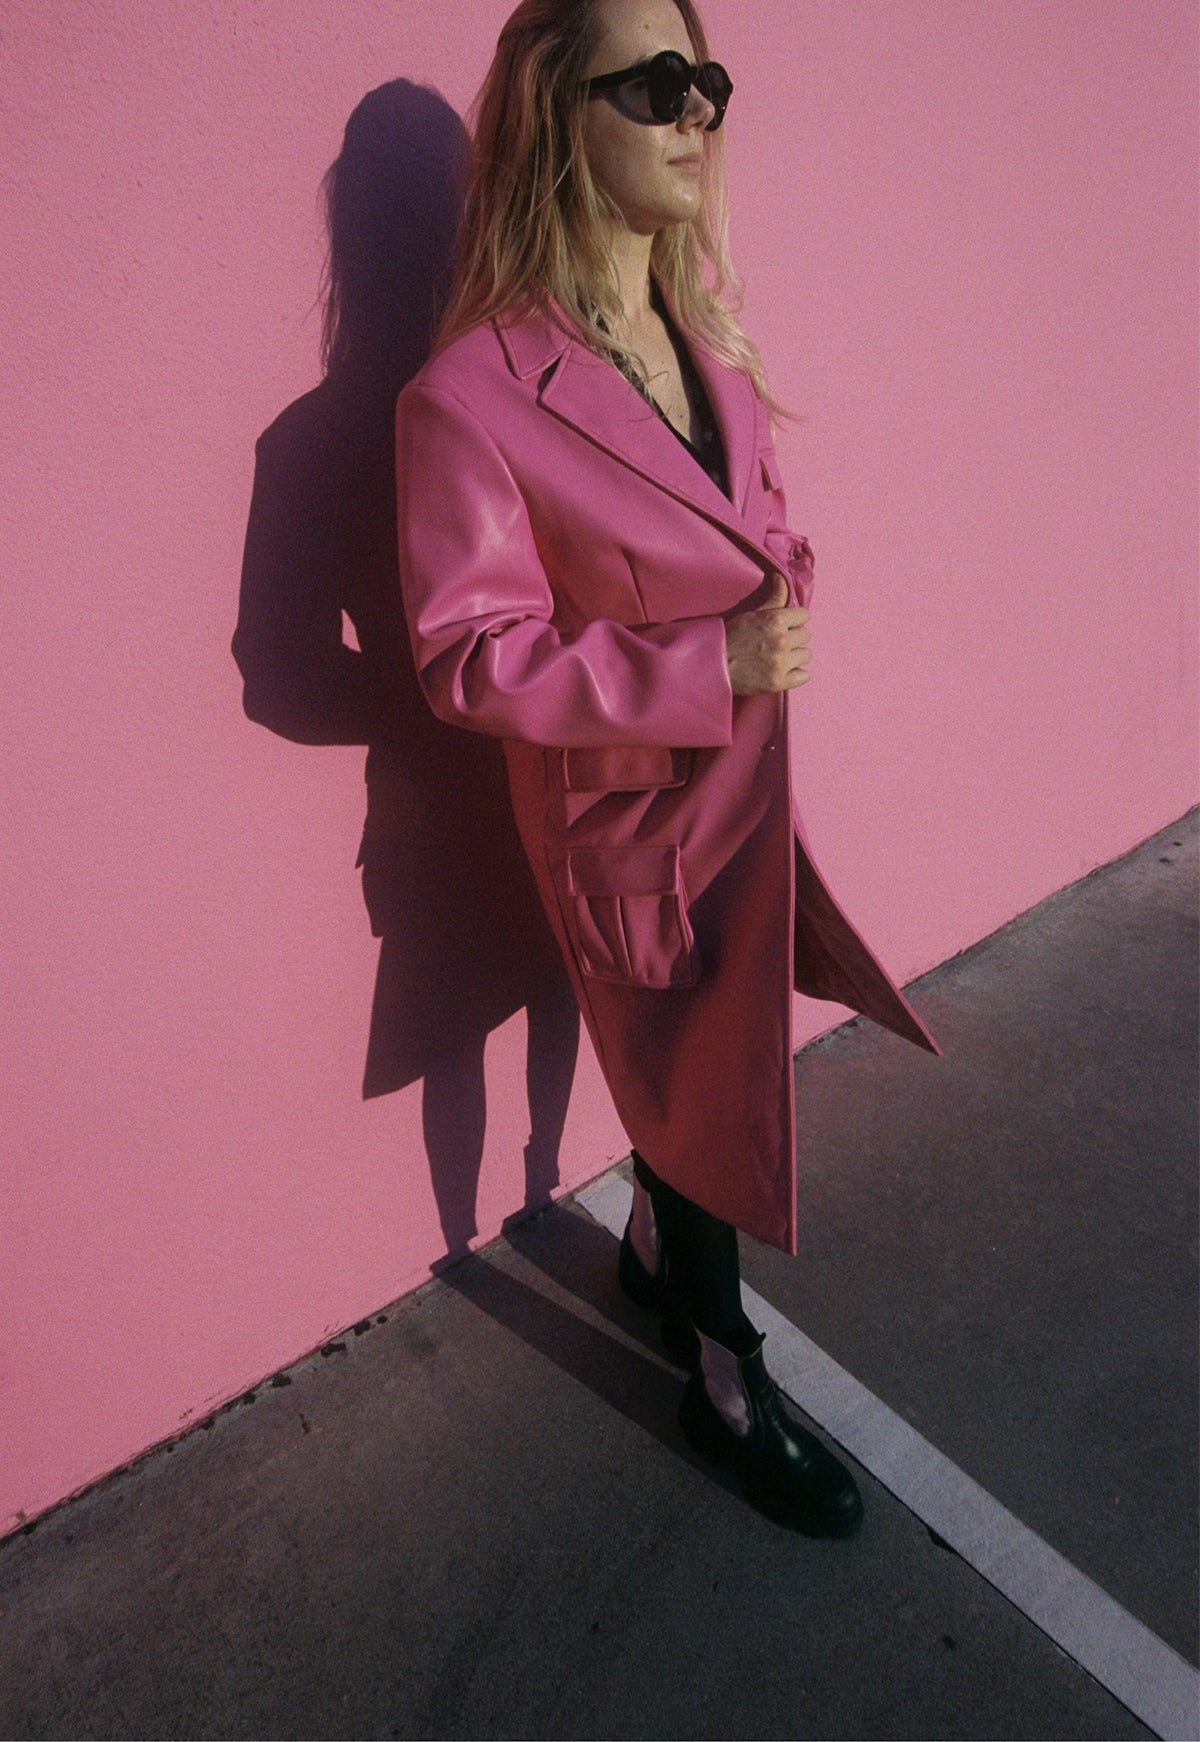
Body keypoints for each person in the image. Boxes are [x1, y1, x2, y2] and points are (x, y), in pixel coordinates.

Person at [395, 0, 938, 1536]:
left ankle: (642, 1250)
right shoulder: (468, 397)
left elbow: (752, 526)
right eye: (655, 84)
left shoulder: (709, 345)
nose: (698, 110)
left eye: (707, 79)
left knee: (693, 1062)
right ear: (562, 116)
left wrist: (787, 585)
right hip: (629, 816)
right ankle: (723, 1378)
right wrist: (711, 665)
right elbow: (464, 653)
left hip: (743, 797)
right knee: (701, 1077)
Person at [233, 81, 579, 1254]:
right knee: (556, 980)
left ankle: (462, 1242)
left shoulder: (308, 442)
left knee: (452, 1029)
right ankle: (543, 1186)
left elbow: (274, 673)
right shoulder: (529, 388)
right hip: (547, 752)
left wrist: (422, 696)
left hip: (428, 794)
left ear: (346, 226)